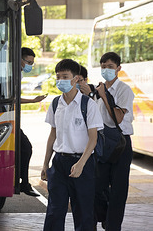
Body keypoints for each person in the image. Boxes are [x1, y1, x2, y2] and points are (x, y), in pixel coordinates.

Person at [41, 59, 103, 231]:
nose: (60, 80)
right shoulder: (55, 104)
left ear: (76, 79)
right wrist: (46, 163)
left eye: (65, 77)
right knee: (54, 210)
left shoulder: (88, 105)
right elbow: (52, 135)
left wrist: (81, 163)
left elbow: (93, 139)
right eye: (58, 77)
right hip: (59, 164)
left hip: (82, 164)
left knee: (83, 212)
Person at [94, 52, 135, 231]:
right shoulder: (99, 89)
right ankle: (104, 217)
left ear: (118, 68)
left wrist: (104, 96)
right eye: (103, 66)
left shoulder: (124, 90)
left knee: (118, 190)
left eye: (110, 67)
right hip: (103, 142)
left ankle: (113, 226)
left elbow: (118, 118)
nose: (106, 70)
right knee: (98, 185)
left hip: (121, 143)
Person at [19, 47, 47, 196]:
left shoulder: (19, 73)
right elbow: (14, 98)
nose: (30, 65)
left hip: (11, 118)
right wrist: (32, 100)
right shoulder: (13, 73)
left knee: (25, 148)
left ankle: (23, 182)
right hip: (6, 119)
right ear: (20, 59)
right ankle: (23, 183)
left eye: (32, 63)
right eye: (28, 62)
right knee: (26, 148)